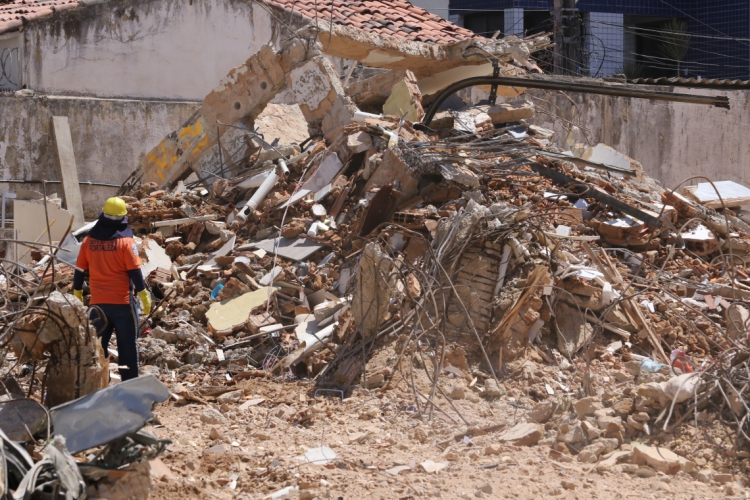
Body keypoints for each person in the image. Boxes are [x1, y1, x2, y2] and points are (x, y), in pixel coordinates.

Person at [72, 197, 151, 381]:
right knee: (127, 348)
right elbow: (135, 272)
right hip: (122, 305)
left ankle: (99, 387)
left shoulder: (88, 241)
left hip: (97, 306)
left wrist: (77, 293)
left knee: (98, 349)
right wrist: (144, 295)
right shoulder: (126, 242)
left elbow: (79, 271)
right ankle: (129, 387)